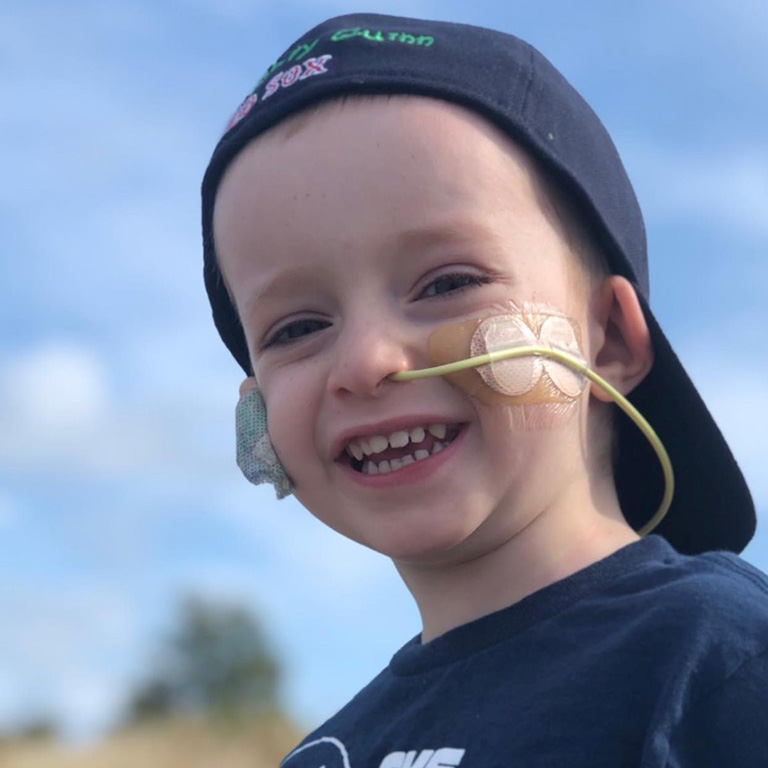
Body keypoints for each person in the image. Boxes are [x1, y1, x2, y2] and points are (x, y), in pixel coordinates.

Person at [201, 13, 767, 767]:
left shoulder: (722, 663)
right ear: (256, 412)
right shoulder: (326, 753)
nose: (365, 362)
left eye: (447, 284)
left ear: (608, 340)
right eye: (297, 328)